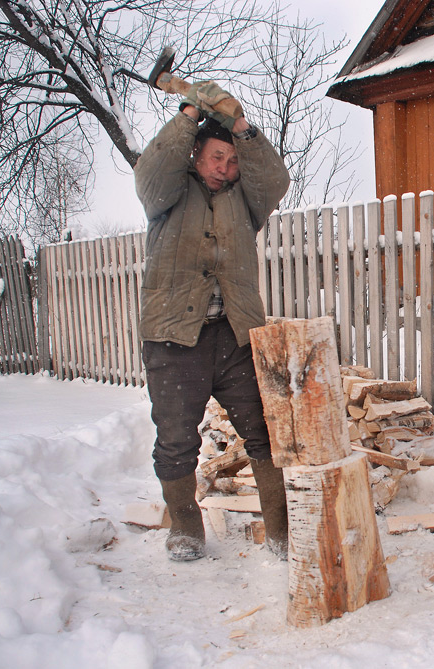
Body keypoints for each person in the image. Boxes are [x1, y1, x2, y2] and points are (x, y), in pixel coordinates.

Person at [134, 81, 291, 561]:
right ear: (196, 155)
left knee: (265, 433)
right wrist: (188, 114)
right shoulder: (168, 193)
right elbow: (150, 171)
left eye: (232, 159)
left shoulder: (247, 200)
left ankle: (282, 529)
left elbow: (276, 179)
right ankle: (185, 527)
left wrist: (241, 126)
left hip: (235, 336)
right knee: (177, 439)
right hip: (174, 340)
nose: (226, 168)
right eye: (216, 157)